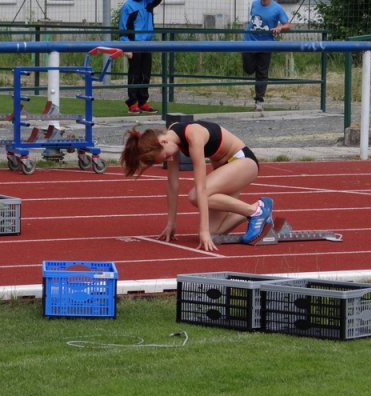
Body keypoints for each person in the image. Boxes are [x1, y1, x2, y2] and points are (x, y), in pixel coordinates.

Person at [120, 120, 274, 251]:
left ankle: (256, 210)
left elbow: (201, 188)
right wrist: (171, 223)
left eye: (166, 156)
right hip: (225, 169)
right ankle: (259, 211)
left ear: (163, 142)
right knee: (215, 233)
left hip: (243, 162)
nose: (169, 159)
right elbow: (172, 184)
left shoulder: (193, 136)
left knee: (195, 196)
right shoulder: (173, 140)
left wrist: (203, 231)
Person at [242, 0, 290, 112]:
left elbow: (287, 24)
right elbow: (252, 19)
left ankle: (259, 101)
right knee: (248, 69)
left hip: (266, 44)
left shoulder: (277, 8)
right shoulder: (254, 3)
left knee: (262, 73)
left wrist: (280, 28)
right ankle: (252, 69)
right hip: (249, 41)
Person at [119, 0, 162, 115]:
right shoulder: (127, 6)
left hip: (147, 43)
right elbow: (123, 28)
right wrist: (126, 46)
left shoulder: (147, 3)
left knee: (146, 74)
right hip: (134, 44)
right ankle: (132, 103)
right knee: (135, 74)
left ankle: (143, 102)